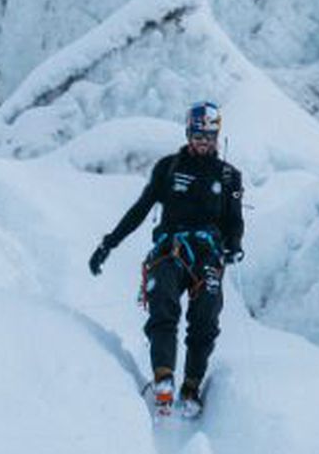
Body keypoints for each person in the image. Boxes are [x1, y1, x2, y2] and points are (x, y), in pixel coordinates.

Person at [87, 101, 244, 417]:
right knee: (163, 304)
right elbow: (140, 210)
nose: (203, 141)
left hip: (209, 254)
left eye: (209, 136)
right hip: (169, 249)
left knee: (205, 318)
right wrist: (108, 244)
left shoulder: (229, 177)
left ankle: (191, 388)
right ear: (188, 133)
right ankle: (163, 379)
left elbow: (234, 221)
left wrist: (234, 245)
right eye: (198, 135)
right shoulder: (168, 168)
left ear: (217, 136)